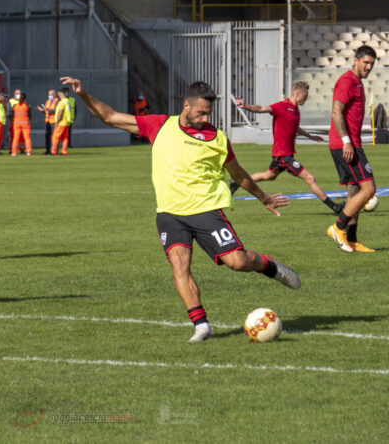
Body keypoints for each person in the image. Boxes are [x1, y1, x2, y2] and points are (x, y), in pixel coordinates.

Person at [60, 76, 300, 343]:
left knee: (238, 262)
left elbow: (239, 174)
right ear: (186, 106)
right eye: (201, 112)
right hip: (169, 214)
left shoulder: (217, 138)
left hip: (206, 210)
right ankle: (202, 326)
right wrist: (83, 94)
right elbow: (110, 116)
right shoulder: (160, 125)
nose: (204, 117)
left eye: (208, 113)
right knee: (179, 265)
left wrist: (263, 197)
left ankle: (269, 266)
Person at [231, 81, 344, 214]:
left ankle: (236, 182)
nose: (305, 100)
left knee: (269, 176)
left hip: (286, 154)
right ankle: (334, 207)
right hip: (283, 156)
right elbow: (261, 109)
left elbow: (295, 128)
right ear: (297, 94)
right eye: (305, 96)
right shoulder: (282, 106)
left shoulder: (296, 110)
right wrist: (245, 106)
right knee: (310, 178)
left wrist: (310, 136)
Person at [327, 45, 378, 253]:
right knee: (369, 189)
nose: (368, 67)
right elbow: (336, 112)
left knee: (354, 191)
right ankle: (338, 228)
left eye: (372, 64)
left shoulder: (358, 83)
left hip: (349, 143)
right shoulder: (347, 80)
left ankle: (352, 239)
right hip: (346, 144)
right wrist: (347, 141)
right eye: (365, 62)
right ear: (355, 60)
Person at [50, 87, 73, 155]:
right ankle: (64, 151)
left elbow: (60, 113)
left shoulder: (62, 102)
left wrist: (56, 123)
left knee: (55, 136)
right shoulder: (68, 101)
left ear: (59, 94)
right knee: (65, 137)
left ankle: (53, 151)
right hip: (67, 122)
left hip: (61, 123)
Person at [36, 89, 58, 154]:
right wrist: (41, 110)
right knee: (47, 137)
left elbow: (56, 110)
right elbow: (46, 111)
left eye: (51, 94)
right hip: (47, 121)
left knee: (53, 137)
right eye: (49, 94)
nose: (50, 96)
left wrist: (48, 109)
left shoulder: (57, 101)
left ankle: (53, 150)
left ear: (55, 94)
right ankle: (48, 150)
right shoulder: (48, 101)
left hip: (53, 121)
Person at [11, 92, 32, 156]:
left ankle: (14, 152)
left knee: (15, 138)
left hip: (16, 124)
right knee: (27, 138)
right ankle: (28, 152)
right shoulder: (27, 105)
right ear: (25, 98)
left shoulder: (15, 106)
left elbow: (12, 115)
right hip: (25, 124)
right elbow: (30, 116)